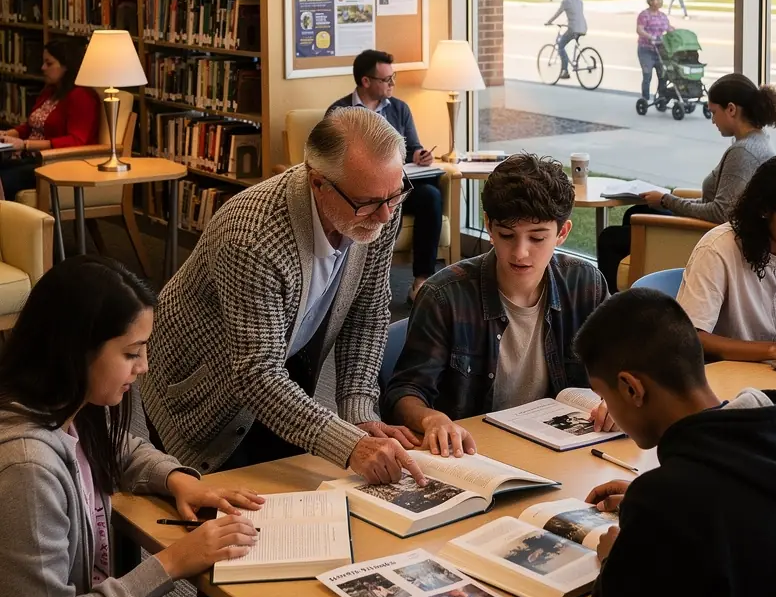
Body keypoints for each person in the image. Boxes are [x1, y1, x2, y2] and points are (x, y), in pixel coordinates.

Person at [483, 289, 776, 597]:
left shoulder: (668, 501)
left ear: (631, 389)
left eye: (605, 398)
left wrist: (610, 568)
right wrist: (653, 502)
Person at [0, 254, 269, 597]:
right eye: (130, 353)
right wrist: (170, 564)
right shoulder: (28, 470)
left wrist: (178, 478)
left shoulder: (67, 409)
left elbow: (120, 448)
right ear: (75, 349)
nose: (143, 367)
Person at [142, 107, 426, 484]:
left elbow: (368, 310)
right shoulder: (252, 237)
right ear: (318, 182)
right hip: (201, 386)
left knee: (294, 506)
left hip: (279, 366)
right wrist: (350, 445)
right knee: (222, 520)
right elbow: (256, 374)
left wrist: (359, 413)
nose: (387, 216)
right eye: (370, 203)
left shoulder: (377, 202)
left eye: (395, 195)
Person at [384, 154, 611, 457]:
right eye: (506, 236)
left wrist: (616, 400)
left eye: (537, 238)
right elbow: (403, 393)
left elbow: (625, 368)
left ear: (562, 233)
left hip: (562, 450)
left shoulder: (586, 285)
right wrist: (432, 418)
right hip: (477, 452)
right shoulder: (444, 295)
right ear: (489, 226)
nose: (520, 252)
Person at [596, 74, 776, 291]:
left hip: (703, 236)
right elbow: (725, 202)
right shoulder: (758, 142)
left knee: (609, 238)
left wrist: (667, 200)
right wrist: (666, 200)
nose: (712, 120)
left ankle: (608, 308)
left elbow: (721, 213)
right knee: (635, 212)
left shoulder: (743, 152)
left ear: (731, 109)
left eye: (714, 112)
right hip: (710, 229)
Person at [677, 152, 776, 362]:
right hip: (726, 377)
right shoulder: (719, 249)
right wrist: (775, 350)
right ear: (764, 209)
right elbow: (691, 337)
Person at [328, 48, 442, 300]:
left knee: (431, 196)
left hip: (399, 184)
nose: (392, 83)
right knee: (386, 204)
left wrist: (420, 155)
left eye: (393, 77)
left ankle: (422, 280)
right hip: (359, 190)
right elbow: (332, 159)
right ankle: (369, 283)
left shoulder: (400, 109)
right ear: (366, 81)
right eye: (386, 79)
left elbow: (412, 147)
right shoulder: (339, 112)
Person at [0, 38, 100, 199]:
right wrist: (7, 135)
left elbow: (76, 141)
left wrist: (26, 145)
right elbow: (31, 126)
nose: (42, 68)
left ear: (66, 66)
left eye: (49, 63)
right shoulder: (50, 91)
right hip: (29, 157)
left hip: (51, 164)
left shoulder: (81, 96)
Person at [635, 0, 672, 101]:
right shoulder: (644, 15)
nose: (660, 1)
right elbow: (639, 30)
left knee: (662, 76)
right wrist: (650, 37)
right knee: (647, 75)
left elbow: (668, 28)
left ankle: (661, 98)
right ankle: (645, 99)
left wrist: (676, 32)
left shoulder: (662, 16)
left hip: (660, 50)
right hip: (646, 50)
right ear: (651, 1)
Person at [546, 0, 587, 80]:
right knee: (570, 42)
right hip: (583, 27)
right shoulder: (579, 0)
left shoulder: (565, 1)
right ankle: (574, 62)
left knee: (560, 46)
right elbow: (575, 15)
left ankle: (565, 71)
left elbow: (557, 13)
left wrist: (549, 22)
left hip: (573, 28)